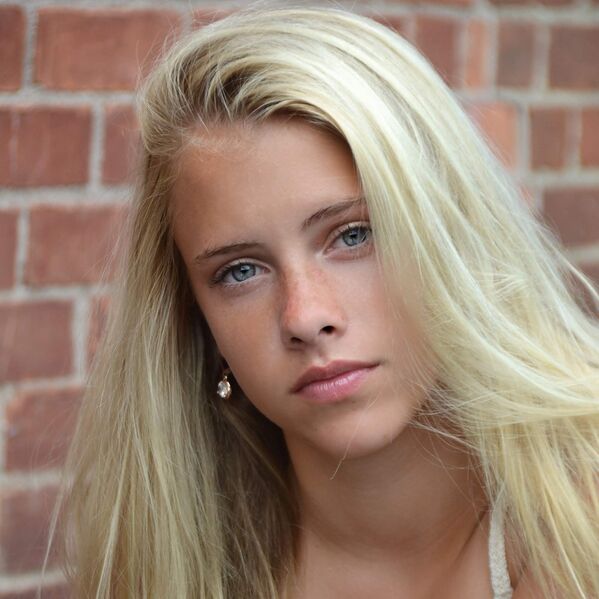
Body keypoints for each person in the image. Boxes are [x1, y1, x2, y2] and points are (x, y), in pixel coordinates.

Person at [51, 4, 599, 598]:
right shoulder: (165, 570)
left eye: (354, 235)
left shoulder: (583, 520)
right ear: (195, 318)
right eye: (240, 271)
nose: (306, 317)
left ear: (451, 229)